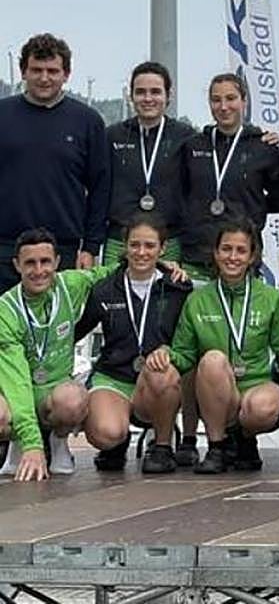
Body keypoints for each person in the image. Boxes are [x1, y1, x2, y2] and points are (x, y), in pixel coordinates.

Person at [165, 218, 279, 474]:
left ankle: (244, 439)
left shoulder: (270, 298)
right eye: (226, 249)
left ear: (252, 256)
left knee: (262, 408)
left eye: (241, 250)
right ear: (216, 253)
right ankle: (216, 447)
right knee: (212, 360)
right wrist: (165, 356)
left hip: (256, 385)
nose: (233, 257)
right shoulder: (198, 299)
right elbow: (184, 354)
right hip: (214, 390)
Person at [0, 229, 120, 480]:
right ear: (17, 265)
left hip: (53, 391)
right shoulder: (6, 310)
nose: (39, 270)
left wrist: (161, 266)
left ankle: (58, 441)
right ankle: (17, 444)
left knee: (73, 399)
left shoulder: (71, 285)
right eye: (30, 263)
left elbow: (108, 272)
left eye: (45, 261)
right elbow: (17, 382)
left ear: (56, 262)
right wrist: (31, 443)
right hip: (14, 391)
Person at [74, 218, 191, 474]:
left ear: (162, 248)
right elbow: (77, 331)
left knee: (163, 373)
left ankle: (162, 445)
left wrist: (168, 352)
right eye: (134, 245)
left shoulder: (177, 287)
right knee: (105, 433)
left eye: (149, 246)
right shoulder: (105, 289)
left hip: (153, 381)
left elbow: (189, 342)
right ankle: (117, 442)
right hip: (114, 377)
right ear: (124, 247)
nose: (141, 252)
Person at [0, 34, 110, 292]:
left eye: (52, 71)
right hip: (4, 247)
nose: (44, 78)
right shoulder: (2, 115)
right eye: (36, 70)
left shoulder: (88, 121)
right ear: (23, 72)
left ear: (66, 74)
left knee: (57, 318)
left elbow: (100, 187)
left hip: (63, 250)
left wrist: (91, 247)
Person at [179, 73, 279, 281]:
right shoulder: (193, 146)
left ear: (244, 101)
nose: (223, 106)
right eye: (216, 100)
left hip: (241, 257)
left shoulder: (263, 147)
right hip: (197, 257)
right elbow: (180, 193)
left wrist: (252, 211)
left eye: (230, 98)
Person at [103, 62, 195, 264]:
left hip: (169, 241)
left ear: (168, 95)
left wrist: (258, 137)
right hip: (120, 240)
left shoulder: (186, 137)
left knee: (165, 286)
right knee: (116, 285)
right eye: (140, 92)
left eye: (155, 92)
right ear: (131, 96)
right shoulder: (112, 136)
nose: (147, 99)